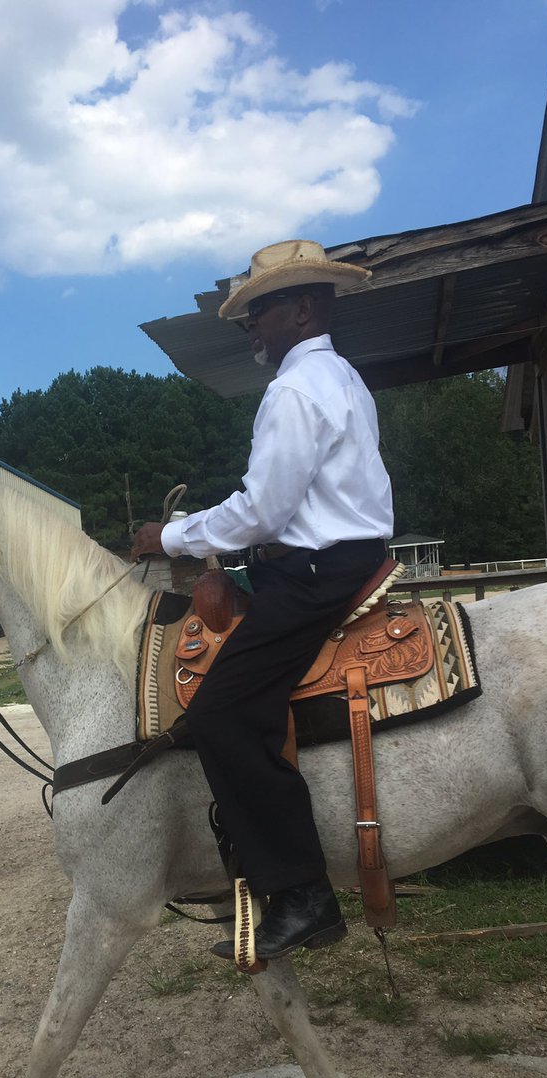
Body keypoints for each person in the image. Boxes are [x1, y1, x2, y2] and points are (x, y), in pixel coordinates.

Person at [130, 239, 393, 960]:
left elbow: (262, 513)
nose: (250, 326)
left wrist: (171, 535)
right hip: (333, 561)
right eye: (247, 315)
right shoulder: (341, 377)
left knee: (218, 717)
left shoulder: (295, 390)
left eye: (261, 310)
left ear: (305, 305)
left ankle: (304, 894)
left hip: (313, 573)